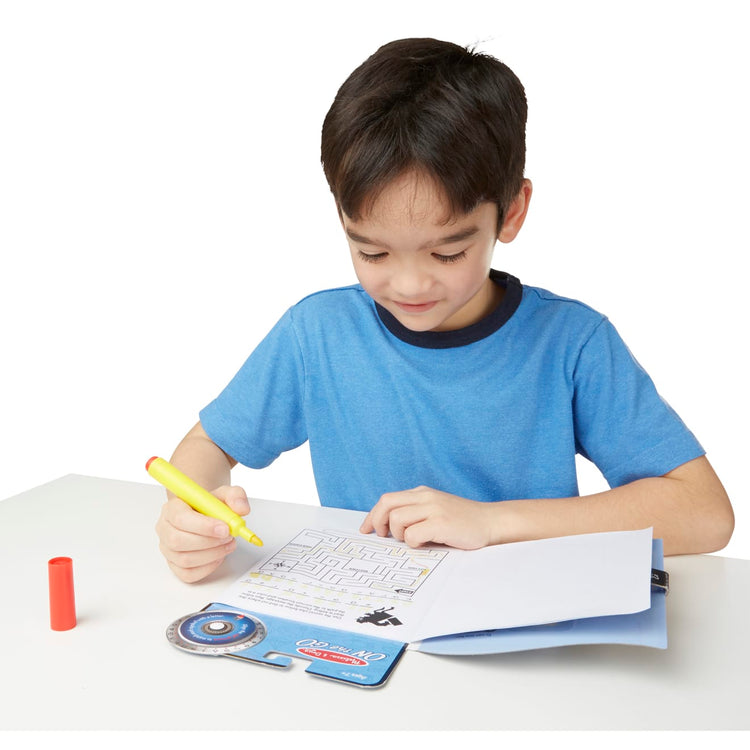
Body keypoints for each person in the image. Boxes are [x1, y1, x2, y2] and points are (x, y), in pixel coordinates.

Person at [155, 38, 734, 583]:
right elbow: (208, 448)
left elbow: (705, 512)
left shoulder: (572, 343)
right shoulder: (318, 335)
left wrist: (492, 523)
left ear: (510, 213)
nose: (408, 283)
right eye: (371, 250)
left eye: (448, 251)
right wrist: (190, 514)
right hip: (368, 615)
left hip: (523, 623)